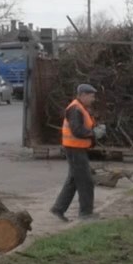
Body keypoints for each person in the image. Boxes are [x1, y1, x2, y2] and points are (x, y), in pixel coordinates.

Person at [51, 83, 103, 222]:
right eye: (91, 96)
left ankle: (58, 208)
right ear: (83, 95)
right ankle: (86, 213)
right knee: (86, 181)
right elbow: (77, 130)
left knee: (73, 181)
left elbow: (80, 128)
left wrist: (94, 130)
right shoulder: (75, 108)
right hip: (74, 149)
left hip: (76, 148)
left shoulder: (80, 107)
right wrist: (93, 133)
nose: (93, 99)